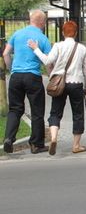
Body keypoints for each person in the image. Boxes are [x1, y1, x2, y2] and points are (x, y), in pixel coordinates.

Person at [28, 21, 86, 155]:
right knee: (78, 115)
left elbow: (47, 61)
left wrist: (35, 49)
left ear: (63, 32)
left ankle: (54, 138)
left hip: (59, 84)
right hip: (76, 83)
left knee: (55, 112)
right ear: (76, 33)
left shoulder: (58, 46)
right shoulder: (81, 48)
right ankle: (76, 145)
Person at [3, 9, 52, 154]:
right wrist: (51, 78)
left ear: (30, 20)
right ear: (42, 22)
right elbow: (49, 63)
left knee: (15, 109)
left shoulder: (17, 34)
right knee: (37, 111)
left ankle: (8, 138)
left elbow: (6, 53)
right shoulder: (42, 38)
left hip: (16, 76)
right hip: (33, 77)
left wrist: (12, 69)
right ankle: (36, 144)